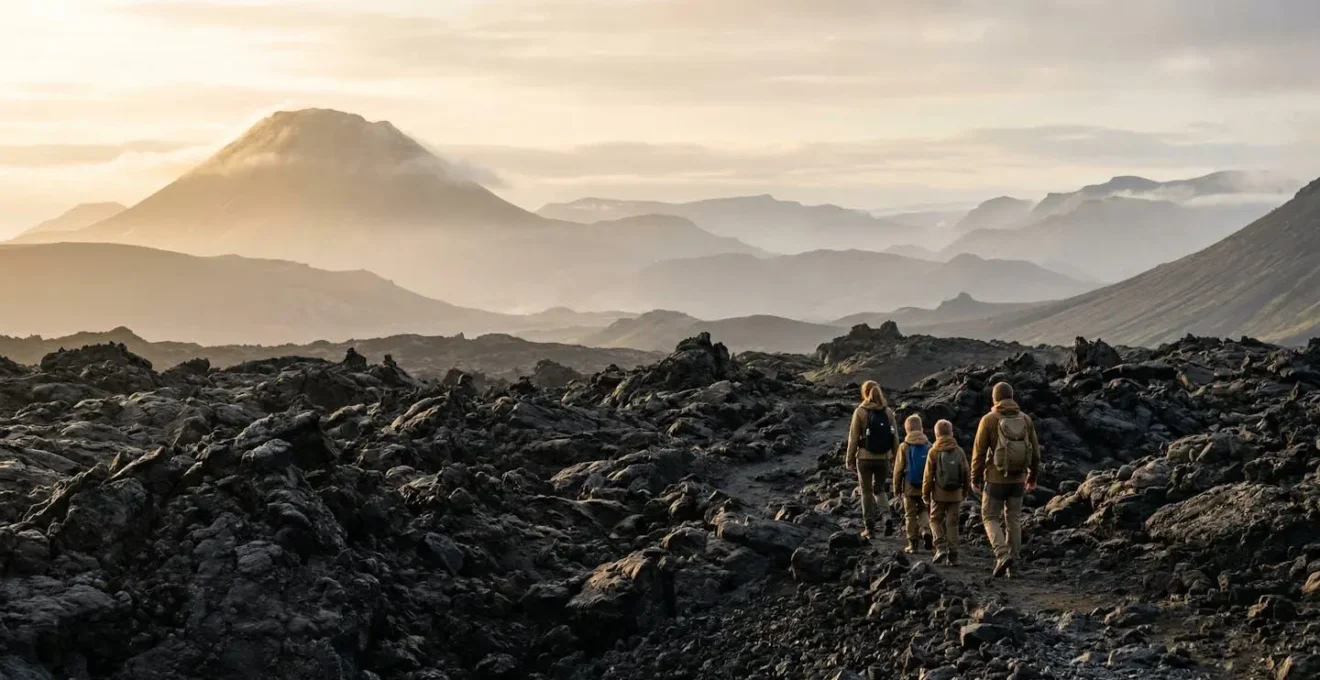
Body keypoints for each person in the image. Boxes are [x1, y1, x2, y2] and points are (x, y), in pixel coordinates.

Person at [971, 382, 1042, 578]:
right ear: (1012, 397)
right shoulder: (1025, 419)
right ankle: (1014, 564)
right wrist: (1032, 477)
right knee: (1014, 519)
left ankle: (1002, 554)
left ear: (994, 399)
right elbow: (1035, 452)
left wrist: (974, 479)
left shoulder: (989, 420)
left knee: (990, 516)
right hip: (1018, 479)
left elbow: (979, 453)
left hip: (995, 479)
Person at [845, 380, 899, 538]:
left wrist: (849, 458)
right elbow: (895, 436)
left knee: (867, 492)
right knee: (880, 489)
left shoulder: (860, 411)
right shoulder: (887, 411)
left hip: (864, 458)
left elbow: (853, 438)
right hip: (883, 458)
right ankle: (886, 516)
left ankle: (869, 528)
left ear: (864, 393)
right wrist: (896, 457)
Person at [922, 419, 973, 566]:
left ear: (936, 434)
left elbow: (927, 476)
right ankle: (954, 555)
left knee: (934, 520)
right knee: (953, 523)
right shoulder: (959, 451)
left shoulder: (933, 451)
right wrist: (964, 491)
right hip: (956, 494)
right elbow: (966, 472)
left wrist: (926, 495)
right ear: (951, 433)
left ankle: (940, 547)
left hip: (938, 494)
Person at [892, 414, 934, 553]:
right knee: (923, 510)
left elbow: (898, 469)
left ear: (906, 430)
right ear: (921, 428)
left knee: (910, 514)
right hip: (925, 486)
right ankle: (926, 531)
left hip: (909, 486)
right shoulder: (929, 445)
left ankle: (913, 543)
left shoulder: (904, 446)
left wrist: (896, 487)